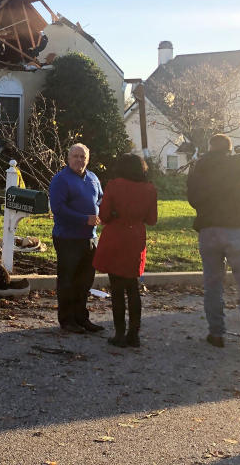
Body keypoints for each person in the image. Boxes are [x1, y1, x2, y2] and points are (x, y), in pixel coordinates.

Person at [186, 134, 240, 356]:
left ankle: (216, 333)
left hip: (207, 231)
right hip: (235, 230)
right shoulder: (236, 162)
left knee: (213, 285)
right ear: (229, 148)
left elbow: (193, 200)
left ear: (209, 148)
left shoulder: (198, 168)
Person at [93, 153, 158, 348]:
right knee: (133, 286)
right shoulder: (150, 189)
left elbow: (103, 215)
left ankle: (120, 334)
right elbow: (152, 220)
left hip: (116, 236)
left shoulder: (114, 185)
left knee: (117, 288)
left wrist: (114, 214)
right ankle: (134, 334)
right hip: (135, 237)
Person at [49, 143, 104, 333]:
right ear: (68, 158)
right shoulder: (60, 180)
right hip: (67, 238)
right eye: (76, 156)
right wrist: (84, 219)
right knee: (68, 281)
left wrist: (102, 212)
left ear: (87, 159)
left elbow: (100, 199)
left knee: (85, 281)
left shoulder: (93, 178)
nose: (79, 160)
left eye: (83, 157)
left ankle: (82, 318)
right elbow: (58, 209)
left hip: (90, 238)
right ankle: (67, 320)